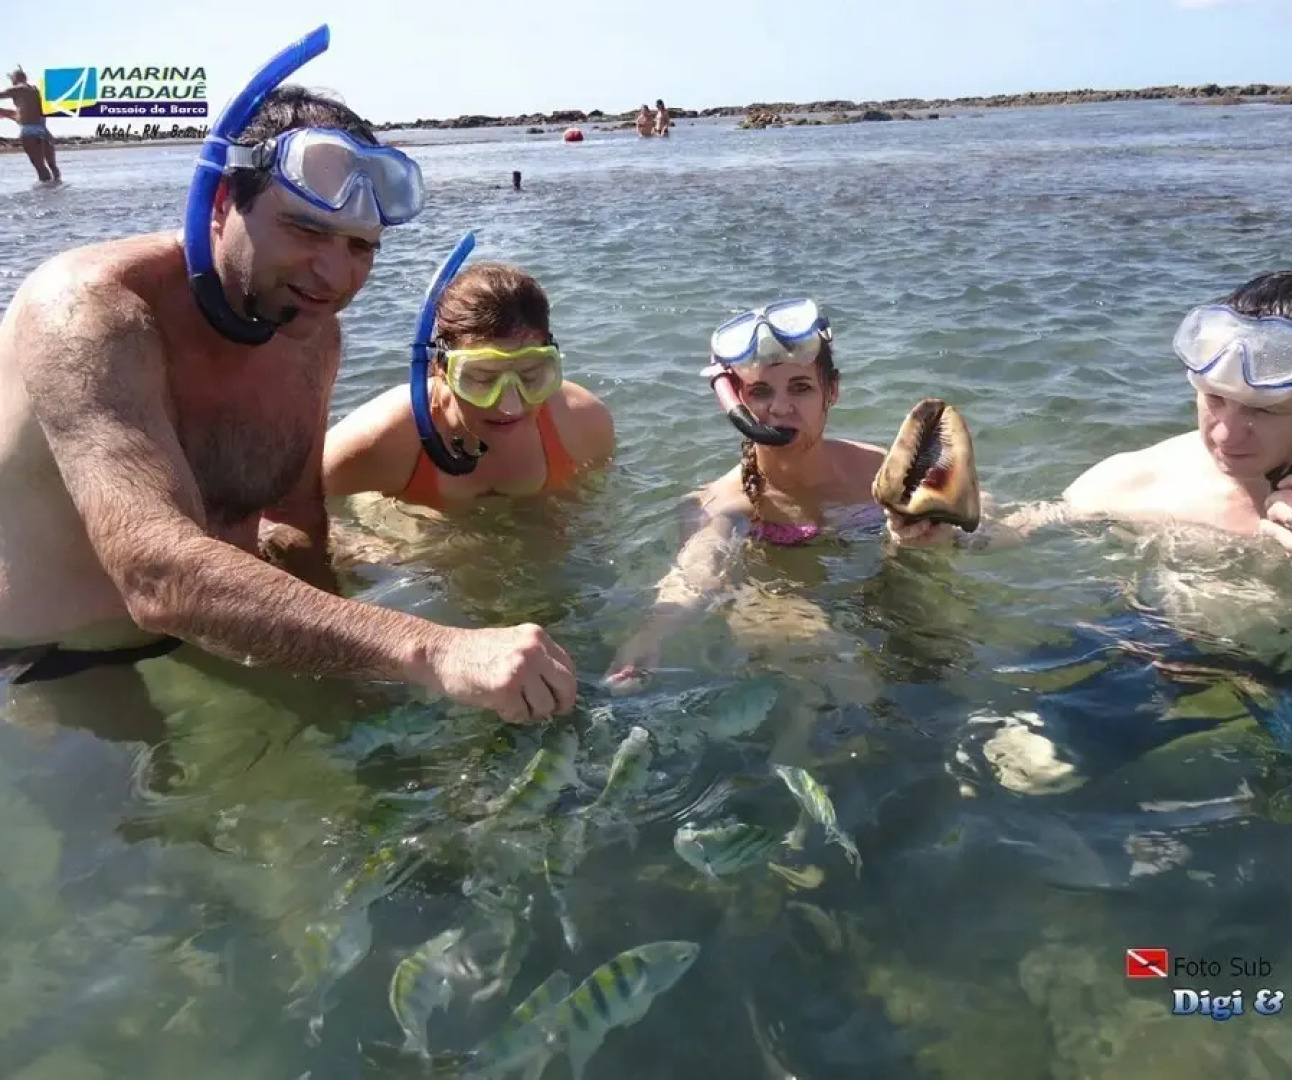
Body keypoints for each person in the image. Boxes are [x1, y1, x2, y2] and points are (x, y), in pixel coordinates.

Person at [0, 29, 576, 725]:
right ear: (220, 205)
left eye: (360, 247)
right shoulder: (89, 311)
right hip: (59, 668)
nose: (334, 276)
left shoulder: (309, 333)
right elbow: (156, 571)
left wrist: (354, 699)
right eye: (304, 230)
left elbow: (298, 521)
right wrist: (431, 649)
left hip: (236, 633)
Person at [892, 269, 1292, 583]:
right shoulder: (1140, 478)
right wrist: (938, 531)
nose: (1225, 434)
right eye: (1213, 401)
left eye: (1265, 411)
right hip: (1157, 658)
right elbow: (1022, 529)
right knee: (1020, 765)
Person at [604, 298, 977, 685]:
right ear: (737, 403)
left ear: (831, 391)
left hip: (871, 594)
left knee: (948, 642)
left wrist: (945, 532)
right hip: (777, 608)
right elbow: (695, 574)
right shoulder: (719, 504)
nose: (780, 407)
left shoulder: (875, 471)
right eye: (761, 392)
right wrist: (649, 635)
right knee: (836, 664)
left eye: (800, 388)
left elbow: (979, 529)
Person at [322, 257, 615, 511]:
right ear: (440, 368)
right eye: (483, 378)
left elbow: (596, 511)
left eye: (530, 375)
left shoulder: (585, 423)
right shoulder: (385, 438)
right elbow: (288, 504)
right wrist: (359, 548)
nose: (509, 405)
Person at [0, 67, 61, 183]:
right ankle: (58, 190)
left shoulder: (17, 88)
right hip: (44, 130)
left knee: (40, 167)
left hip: (30, 131)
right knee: (53, 166)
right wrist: (7, 114)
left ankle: (46, 196)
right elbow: (30, 114)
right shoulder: (35, 91)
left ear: (14, 79)